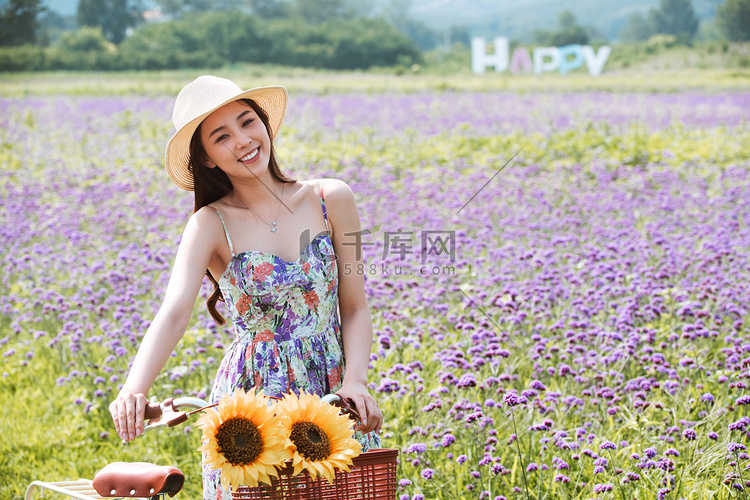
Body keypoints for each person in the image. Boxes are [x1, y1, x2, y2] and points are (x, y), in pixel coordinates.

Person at [108, 75, 383, 498]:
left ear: (265, 124)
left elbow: (355, 307)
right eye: (222, 136)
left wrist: (357, 381)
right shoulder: (209, 224)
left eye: (247, 121)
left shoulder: (333, 198)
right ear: (208, 159)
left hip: (333, 386)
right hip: (253, 397)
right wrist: (133, 389)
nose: (242, 140)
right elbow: (175, 309)